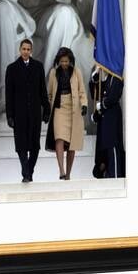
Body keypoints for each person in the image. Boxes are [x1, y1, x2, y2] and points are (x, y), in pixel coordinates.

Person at [5, 39, 50, 182]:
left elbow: (43, 90)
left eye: (28, 49)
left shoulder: (38, 67)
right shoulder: (11, 68)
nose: (25, 51)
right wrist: (10, 115)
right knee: (21, 145)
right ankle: (26, 173)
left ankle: (29, 171)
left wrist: (47, 110)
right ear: (20, 50)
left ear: (31, 51)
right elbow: (9, 94)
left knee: (35, 147)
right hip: (19, 114)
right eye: (23, 49)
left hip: (35, 113)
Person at [45, 47, 88, 180]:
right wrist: (47, 109)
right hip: (59, 108)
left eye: (66, 61)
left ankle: (68, 174)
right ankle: (61, 170)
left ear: (70, 61)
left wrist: (84, 104)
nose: (64, 63)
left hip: (73, 109)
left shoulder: (76, 72)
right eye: (62, 61)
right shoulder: (53, 73)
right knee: (59, 138)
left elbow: (82, 91)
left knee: (72, 144)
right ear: (58, 61)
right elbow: (50, 94)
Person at [89, 67, 126, 178]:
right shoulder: (107, 77)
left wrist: (103, 105)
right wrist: (94, 77)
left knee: (112, 146)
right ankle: (109, 174)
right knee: (104, 148)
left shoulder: (116, 77)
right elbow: (95, 92)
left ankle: (115, 175)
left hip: (112, 118)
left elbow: (113, 96)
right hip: (104, 119)